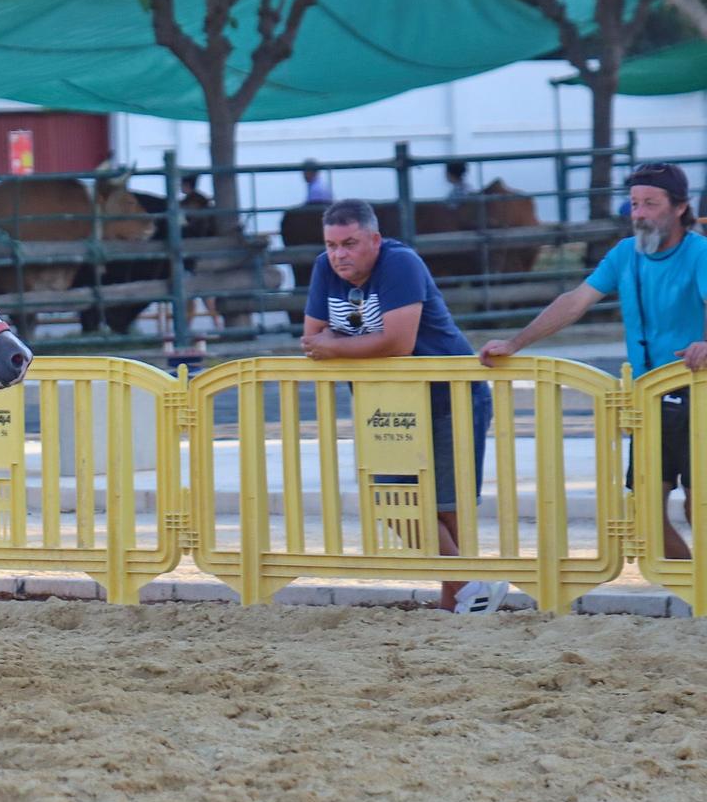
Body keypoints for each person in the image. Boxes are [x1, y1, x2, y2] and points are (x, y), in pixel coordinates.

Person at [480, 162, 707, 559]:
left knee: (697, 506)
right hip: (649, 400)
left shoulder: (700, 253)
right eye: (634, 203)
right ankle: (696, 587)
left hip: (697, 395)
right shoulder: (624, 254)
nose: (638, 213)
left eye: (650, 204)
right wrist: (516, 342)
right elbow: (575, 302)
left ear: (680, 208)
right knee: (646, 516)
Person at [302, 198, 505, 614]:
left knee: (447, 508)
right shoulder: (325, 267)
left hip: (450, 393)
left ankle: (460, 604)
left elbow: (398, 342)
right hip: (386, 401)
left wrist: (339, 346)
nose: (339, 254)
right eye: (331, 244)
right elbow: (311, 338)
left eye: (350, 243)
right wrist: (344, 346)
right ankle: (472, 586)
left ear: (375, 240)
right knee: (390, 499)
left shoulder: (401, 263)